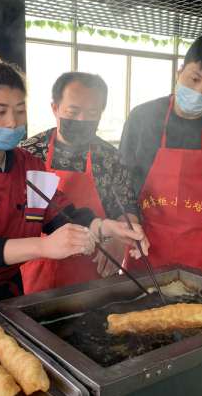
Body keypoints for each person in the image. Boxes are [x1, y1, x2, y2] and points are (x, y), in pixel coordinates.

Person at [0, 55, 147, 322]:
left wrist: (105, 227)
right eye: (0, 111)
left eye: (20, 110)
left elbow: (61, 215)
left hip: (8, 296)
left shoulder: (29, 165)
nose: (12, 122)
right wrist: (42, 246)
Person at [119, 35, 202, 274]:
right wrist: (130, 220)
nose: (200, 91)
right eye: (194, 79)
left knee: (196, 306)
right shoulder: (143, 117)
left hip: (196, 247)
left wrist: (197, 222)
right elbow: (122, 175)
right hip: (144, 241)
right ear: (180, 71)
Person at [20, 72, 139, 293]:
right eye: (73, 111)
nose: (82, 120)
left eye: (92, 113)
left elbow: (127, 206)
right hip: (36, 267)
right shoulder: (29, 153)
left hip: (93, 271)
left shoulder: (109, 158)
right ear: (55, 108)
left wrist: (119, 241)